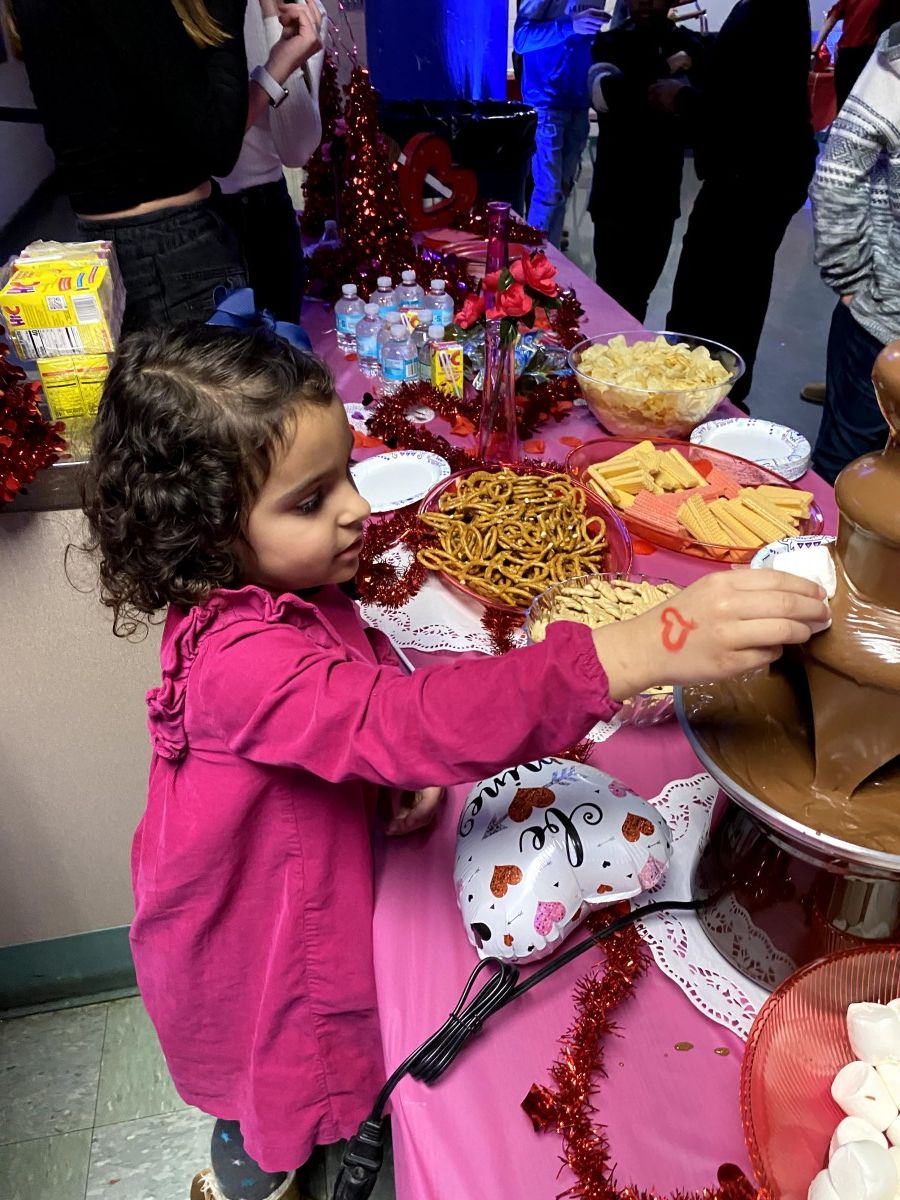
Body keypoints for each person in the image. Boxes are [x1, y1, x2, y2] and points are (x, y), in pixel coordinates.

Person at [82, 323, 828, 1200]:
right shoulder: (237, 659)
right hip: (259, 949)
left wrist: (387, 768)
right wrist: (634, 650)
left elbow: (352, 710)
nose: (356, 508)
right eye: (310, 500)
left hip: (290, 893)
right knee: (288, 1093)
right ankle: (265, 1174)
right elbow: (389, 715)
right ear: (206, 535)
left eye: (347, 475)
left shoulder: (283, 587)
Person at [7, 0, 321, 333]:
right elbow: (218, 144)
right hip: (171, 250)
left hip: (113, 243)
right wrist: (269, 66)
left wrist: (273, 64)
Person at [809, 26, 900, 483]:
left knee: (849, 473)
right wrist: (852, 281)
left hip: (881, 315)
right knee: (844, 471)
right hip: (881, 321)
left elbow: (838, 173)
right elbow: (840, 174)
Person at [587, 0, 706, 321]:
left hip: (658, 200)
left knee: (637, 300)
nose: (643, 3)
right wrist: (666, 70)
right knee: (609, 298)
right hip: (615, 198)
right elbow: (605, 95)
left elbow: (698, 118)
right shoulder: (609, 43)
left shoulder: (689, 45)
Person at [215, 0, 328, 323]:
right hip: (196, 215)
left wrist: (272, 24)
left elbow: (296, 151)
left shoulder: (305, 9)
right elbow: (212, 139)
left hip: (267, 215)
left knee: (282, 365)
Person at [514, 1, 609, 248]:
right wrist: (570, 25)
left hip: (577, 100)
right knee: (548, 193)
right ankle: (532, 267)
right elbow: (521, 40)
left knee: (561, 192)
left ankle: (546, 270)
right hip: (546, 101)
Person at [812, 0, 900, 109]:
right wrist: (815, 50)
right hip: (846, 55)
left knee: (865, 104)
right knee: (843, 104)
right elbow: (832, 17)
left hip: (869, 56)